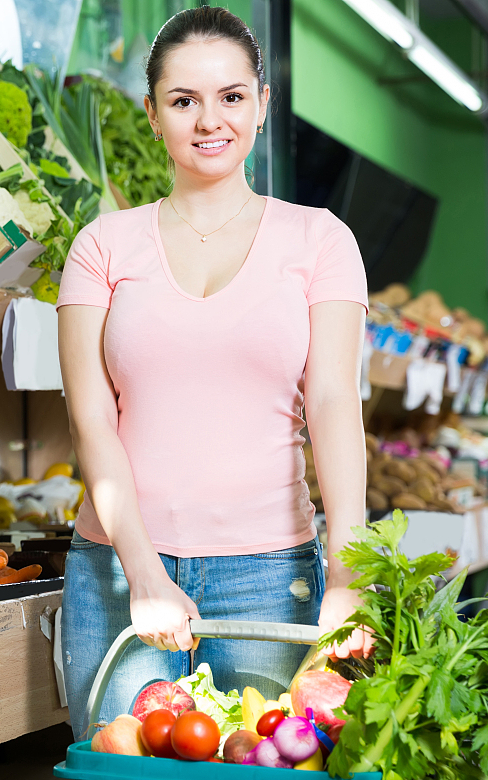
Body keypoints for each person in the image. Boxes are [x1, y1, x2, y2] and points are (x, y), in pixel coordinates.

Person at [57, 6, 374, 740]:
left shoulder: (319, 240)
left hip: (269, 576)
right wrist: (141, 572)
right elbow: (92, 418)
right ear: (154, 114)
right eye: (184, 101)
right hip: (115, 570)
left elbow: (332, 404)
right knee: (120, 779)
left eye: (232, 96)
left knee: (263, 777)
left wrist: (349, 572)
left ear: (262, 105)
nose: (210, 120)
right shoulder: (102, 245)